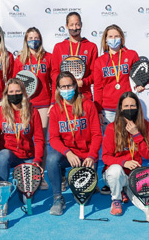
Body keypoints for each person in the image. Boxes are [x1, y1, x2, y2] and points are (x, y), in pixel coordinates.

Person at [92, 24, 144, 195]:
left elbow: (139, 76)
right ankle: (108, 178)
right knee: (109, 147)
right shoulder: (100, 61)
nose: (113, 39)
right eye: (110, 36)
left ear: (122, 37)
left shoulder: (131, 55)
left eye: (116, 36)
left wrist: (141, 85)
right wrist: (98, 111)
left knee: (128, 142)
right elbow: (98, 88)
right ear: (105, 40)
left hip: (127, 108)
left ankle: (129, 175)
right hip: (107, 110)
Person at [47, 72, 102, 216]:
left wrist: (91, 156)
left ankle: (89, 182)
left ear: (75, 86)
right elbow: (53, 138)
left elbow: (97, 134)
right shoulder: (55, 110)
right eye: (63, 86)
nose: (67, 89)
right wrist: (67, 153)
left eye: (69, 85)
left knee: (82, 200)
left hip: (86, 156)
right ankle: (58, 198)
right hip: (68, 156)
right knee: (52, 159)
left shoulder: (88, 105)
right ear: (58, 89)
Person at [13, 27, 52, 189]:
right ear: (25, 40)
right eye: (30, 38)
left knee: (41, 141)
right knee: (25, 139)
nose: (33, 41)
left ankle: (39, 175)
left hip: (43, 104)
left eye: (36, 38)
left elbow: (54, 79)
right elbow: (14, 82)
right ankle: (23, 172)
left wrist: (53, 103)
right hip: (25, 105)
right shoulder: (20, 59)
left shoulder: (48, 57)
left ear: (41, 39)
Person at [101, 92, 149, 216]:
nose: (129, 109)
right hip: (114, 174)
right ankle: (116, 199)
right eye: (126, 106)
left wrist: (137, 134)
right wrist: (124, 162)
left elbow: (148, 154)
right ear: (120, 108)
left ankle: (124, 189)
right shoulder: (112, 128)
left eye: (132, 106)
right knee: (116, 170)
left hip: (134, 175)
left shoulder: (145, 125)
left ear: (137, 107)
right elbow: (105, 157)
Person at [0, 78, 45, 182]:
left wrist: (37, 160)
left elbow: (39, 139)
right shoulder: (1, 111)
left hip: (27, 156)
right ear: (6, 94)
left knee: (26, 197)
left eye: (18, 91)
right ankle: (1, 188)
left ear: (23, 93)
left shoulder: (33, 111)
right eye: (11, 92)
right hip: (9, 155)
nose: (14, 94)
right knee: (3, 155)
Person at [51, 12, 98, 101]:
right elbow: (54, 73)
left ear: (81, 25)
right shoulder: (59, 47)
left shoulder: (91, 47)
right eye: (71, 25)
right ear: (66, 26)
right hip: (64, 95)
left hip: (84, 95)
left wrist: (84, 82)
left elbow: (95, 73)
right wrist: (64, 82)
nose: (74, 28)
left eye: (77, 24)